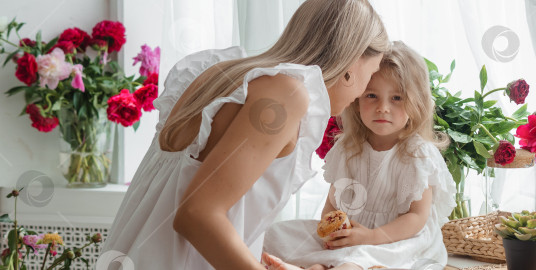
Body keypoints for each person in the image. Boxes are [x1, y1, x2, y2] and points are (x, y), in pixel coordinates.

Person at [97, 1, 389, 269]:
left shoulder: (223, 73)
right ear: (352, 61)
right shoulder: (286, 95)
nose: (365, 90)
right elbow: (197, 215)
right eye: (372, 72)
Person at [261, 41, 456, 270]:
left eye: (397, 98)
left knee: (356, 262)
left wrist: (371, 237)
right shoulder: (348, 149)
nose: (383, 107)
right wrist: (332, 235)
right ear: (356, 102)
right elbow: (333, 205)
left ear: (417, 102)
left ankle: (322, 266)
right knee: (276, 234)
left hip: (397, 238)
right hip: (354, 232)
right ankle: (320, 265)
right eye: (372, 95)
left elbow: (416, 219)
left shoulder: (417, 154)